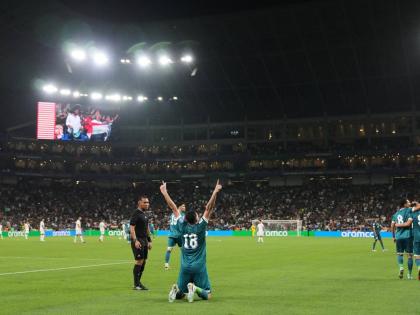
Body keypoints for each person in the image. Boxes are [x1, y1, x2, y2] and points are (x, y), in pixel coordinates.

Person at [160, 180, 222, 303]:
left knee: (181, 295)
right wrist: (215, 192)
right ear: (196, 218)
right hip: (199, 266)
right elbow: (209, 208)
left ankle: (177, 290)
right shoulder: (200, 226)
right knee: (208, 295)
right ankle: (195, 288)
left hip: (185, 267)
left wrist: (165, 192)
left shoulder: (182, 226)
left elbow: (173, 207)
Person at [130, 195, 153, 291]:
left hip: (144, 240)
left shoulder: (145, 214)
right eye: (145, 202)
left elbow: (147, 228)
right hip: (138, 240)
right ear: (139, 203)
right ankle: (136, 284)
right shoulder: (136, 213)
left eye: (147, 202)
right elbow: (132, 229)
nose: (147, 204)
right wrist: (135, 241)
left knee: (143, 261)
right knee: (139, 261)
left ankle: (138, 282)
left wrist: (149, 240)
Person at [391, 199, 414, 279]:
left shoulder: (395, 214)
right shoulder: (409, 210)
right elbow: (409, 223)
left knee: (399, 254)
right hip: (407, 236)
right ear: (404, 204)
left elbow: (392, 226)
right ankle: (410, 275)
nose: (410, 203)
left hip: (398, 236)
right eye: (408, 202)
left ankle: (401, 267)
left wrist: (393, 236)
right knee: (410, 256)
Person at [165, 204, 186, 270]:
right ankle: (184, 264)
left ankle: (166, 264)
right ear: (179, 207)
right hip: (179, 235)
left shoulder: (172, 214)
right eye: (183, 206)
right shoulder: (182, 215)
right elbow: (181, 226)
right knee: (183, 251)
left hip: (172, 235)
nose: (185, 207)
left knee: (169, 250)